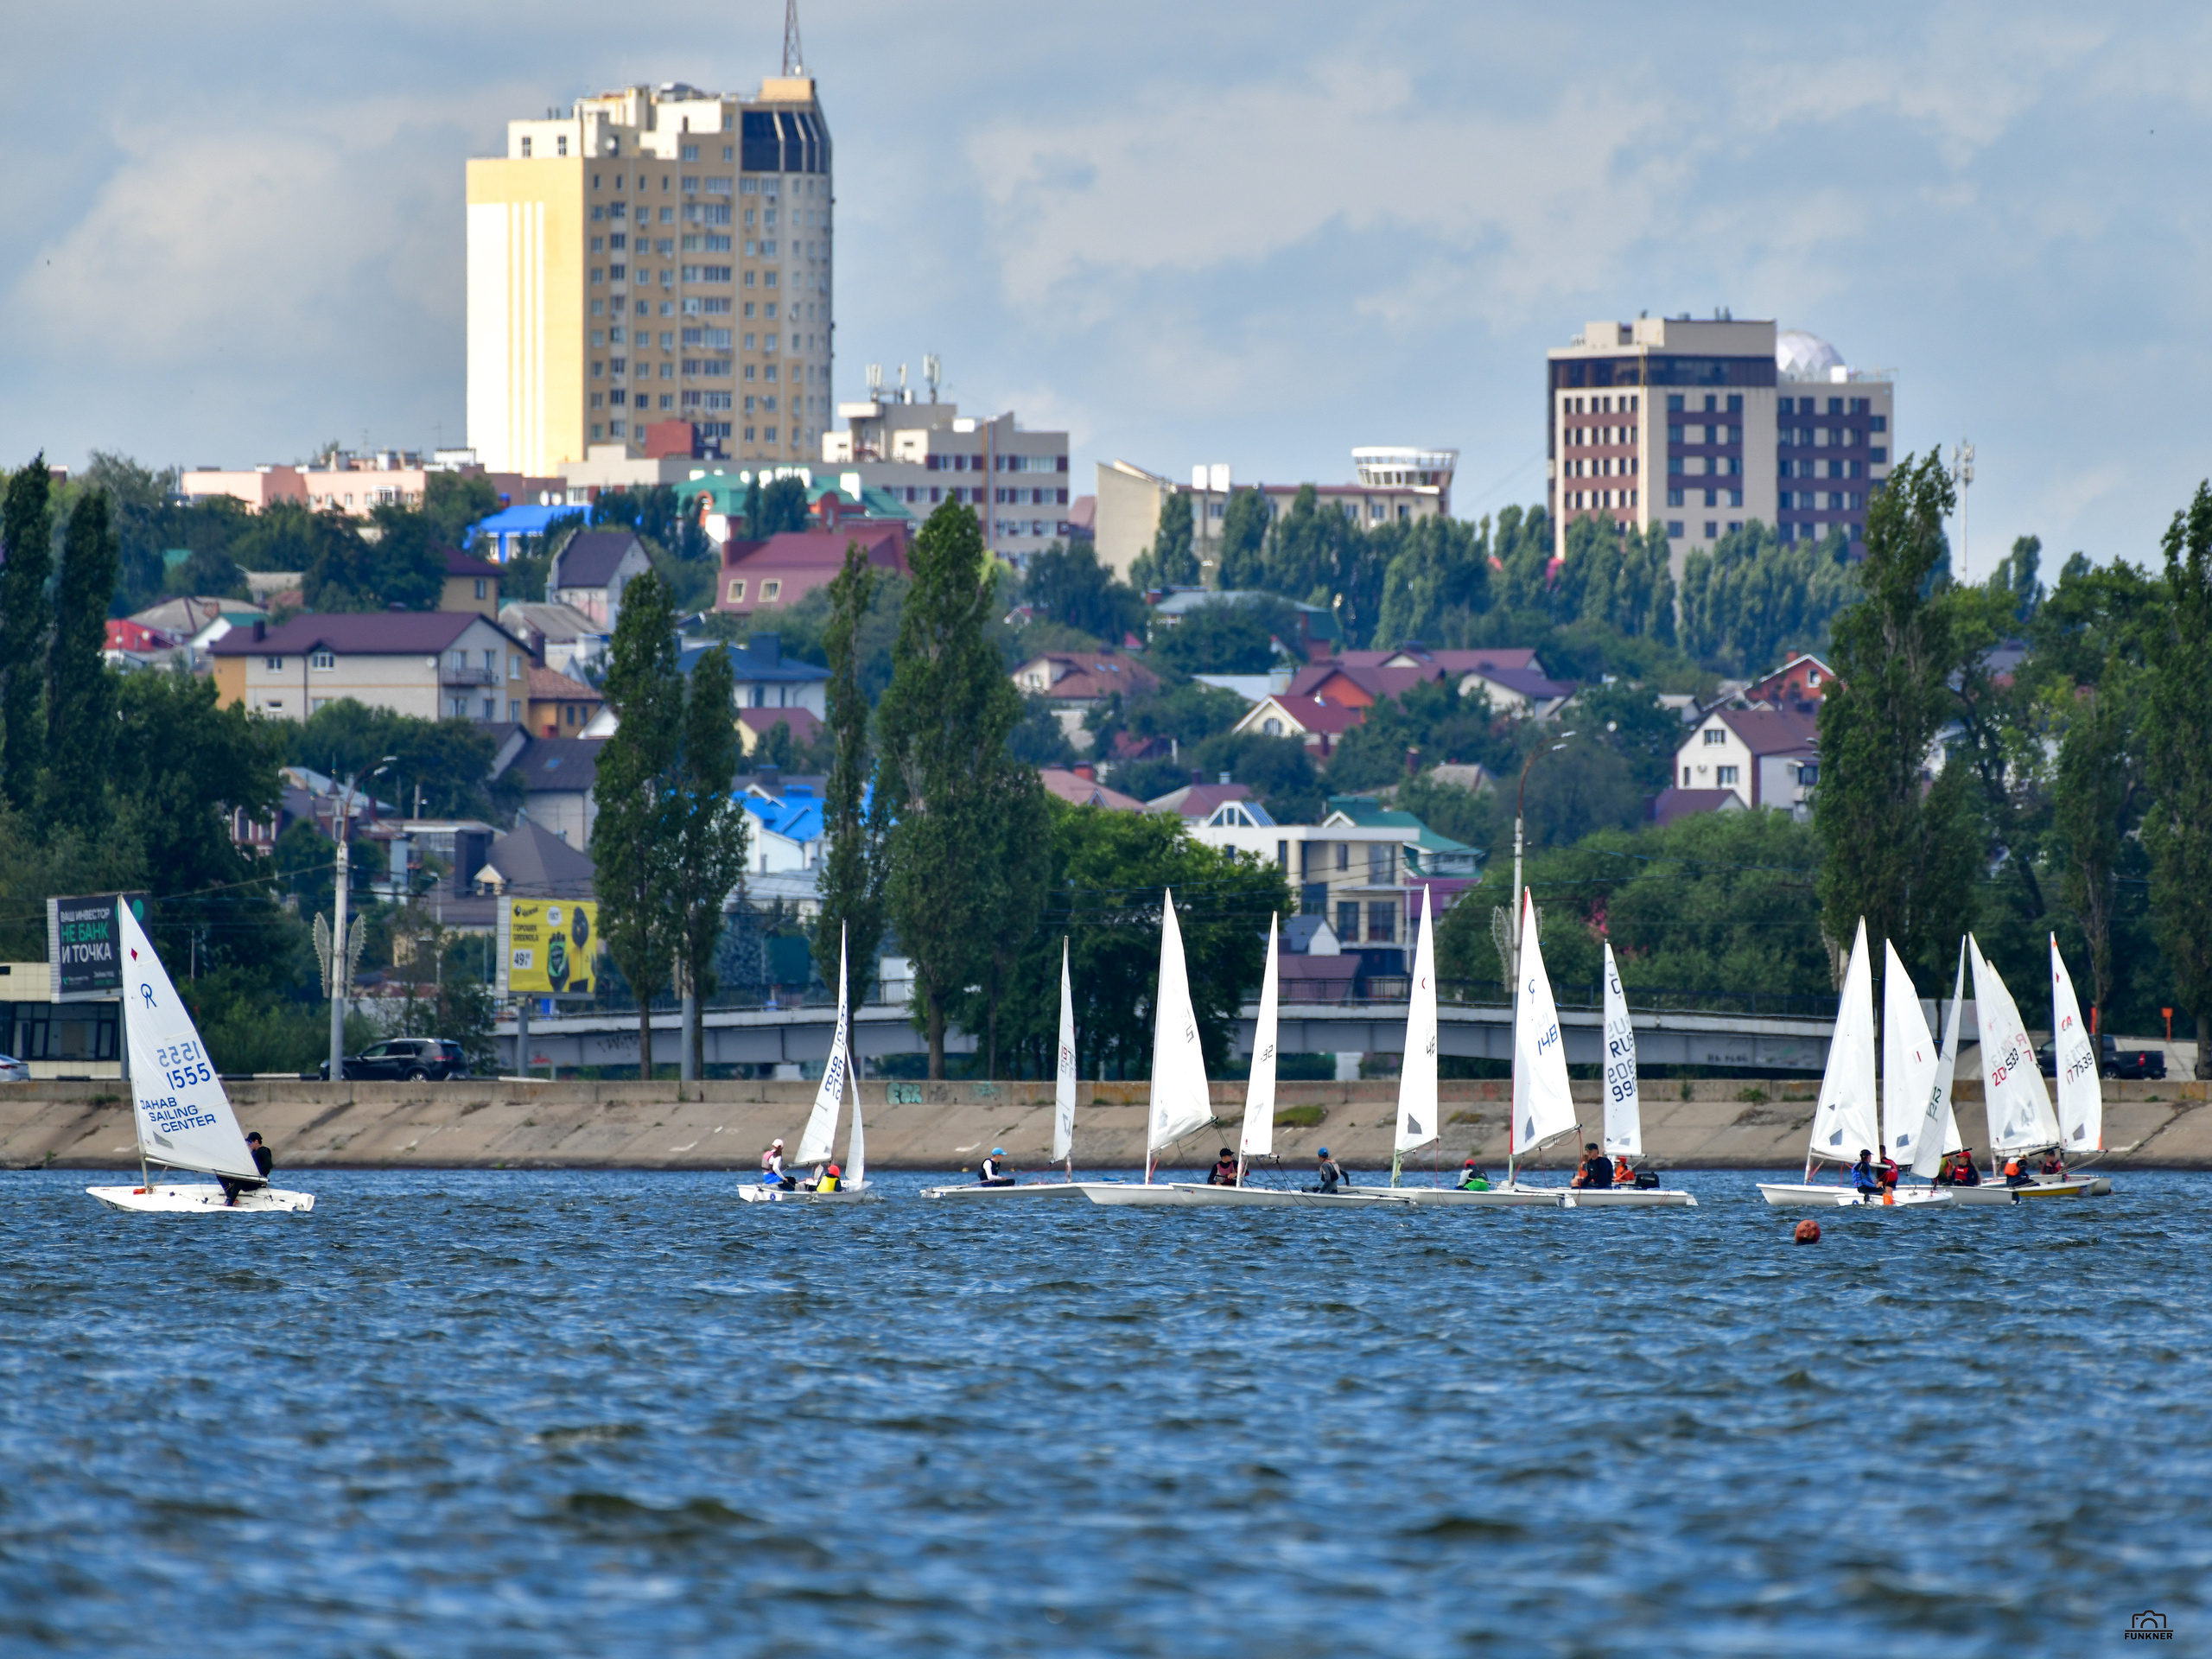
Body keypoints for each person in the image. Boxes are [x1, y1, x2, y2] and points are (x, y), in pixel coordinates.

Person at [219, 1132, 274, 1206]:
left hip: (258, 1181)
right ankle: (230, 1197)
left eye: (250, 1142)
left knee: (240, 1179)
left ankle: (230, 1203)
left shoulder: (263, 1151)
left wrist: (254, 1172)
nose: (248, 1144)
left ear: (257, 1141)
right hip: (249, 1179)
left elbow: (269, 1165)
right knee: (221, 1175)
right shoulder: (253, 1153)